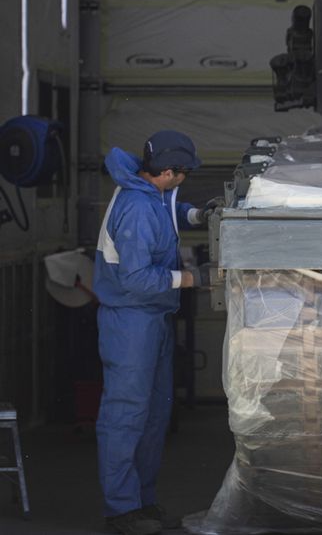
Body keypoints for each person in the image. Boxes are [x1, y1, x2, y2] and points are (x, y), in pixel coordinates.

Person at [93, 130, 213, 535]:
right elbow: (138, 279)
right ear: (167, 171)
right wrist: (193, 279)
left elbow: (171, 210)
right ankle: (121, 510)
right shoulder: (138, 209)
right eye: (184, 174)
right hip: (130, 321)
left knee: (153, 414)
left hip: (152, 319)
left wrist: (199, 216)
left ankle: (142, 502)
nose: (185, 180)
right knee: (126, 415)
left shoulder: (151, 191)